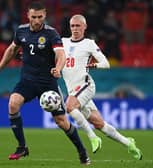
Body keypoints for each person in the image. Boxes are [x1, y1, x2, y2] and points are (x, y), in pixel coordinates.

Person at [0, 2, 90, 165]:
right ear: (28, 16)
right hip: (27, 81)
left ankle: (82, 151)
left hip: (47, 84)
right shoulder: (21, 31)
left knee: (61, 122)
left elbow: (61, 54)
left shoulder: (51, 34)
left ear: (45, 16)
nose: (36, 20)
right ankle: (22, 147)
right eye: (33, 17)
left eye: (40, 17)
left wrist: (58, 68)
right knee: (13, 103)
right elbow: (12, 49)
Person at [59, 14, 142, 160]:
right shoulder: (63, 42)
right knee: (99, 123)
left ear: (84, 27)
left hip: (86, 85)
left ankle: (92, 137)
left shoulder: (89, 43)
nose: (75, 29)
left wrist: (94, 65)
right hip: (73, 90)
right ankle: (128, 143)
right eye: (72, 26)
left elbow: (106, 63)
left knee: (70, 106)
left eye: (78, 26)